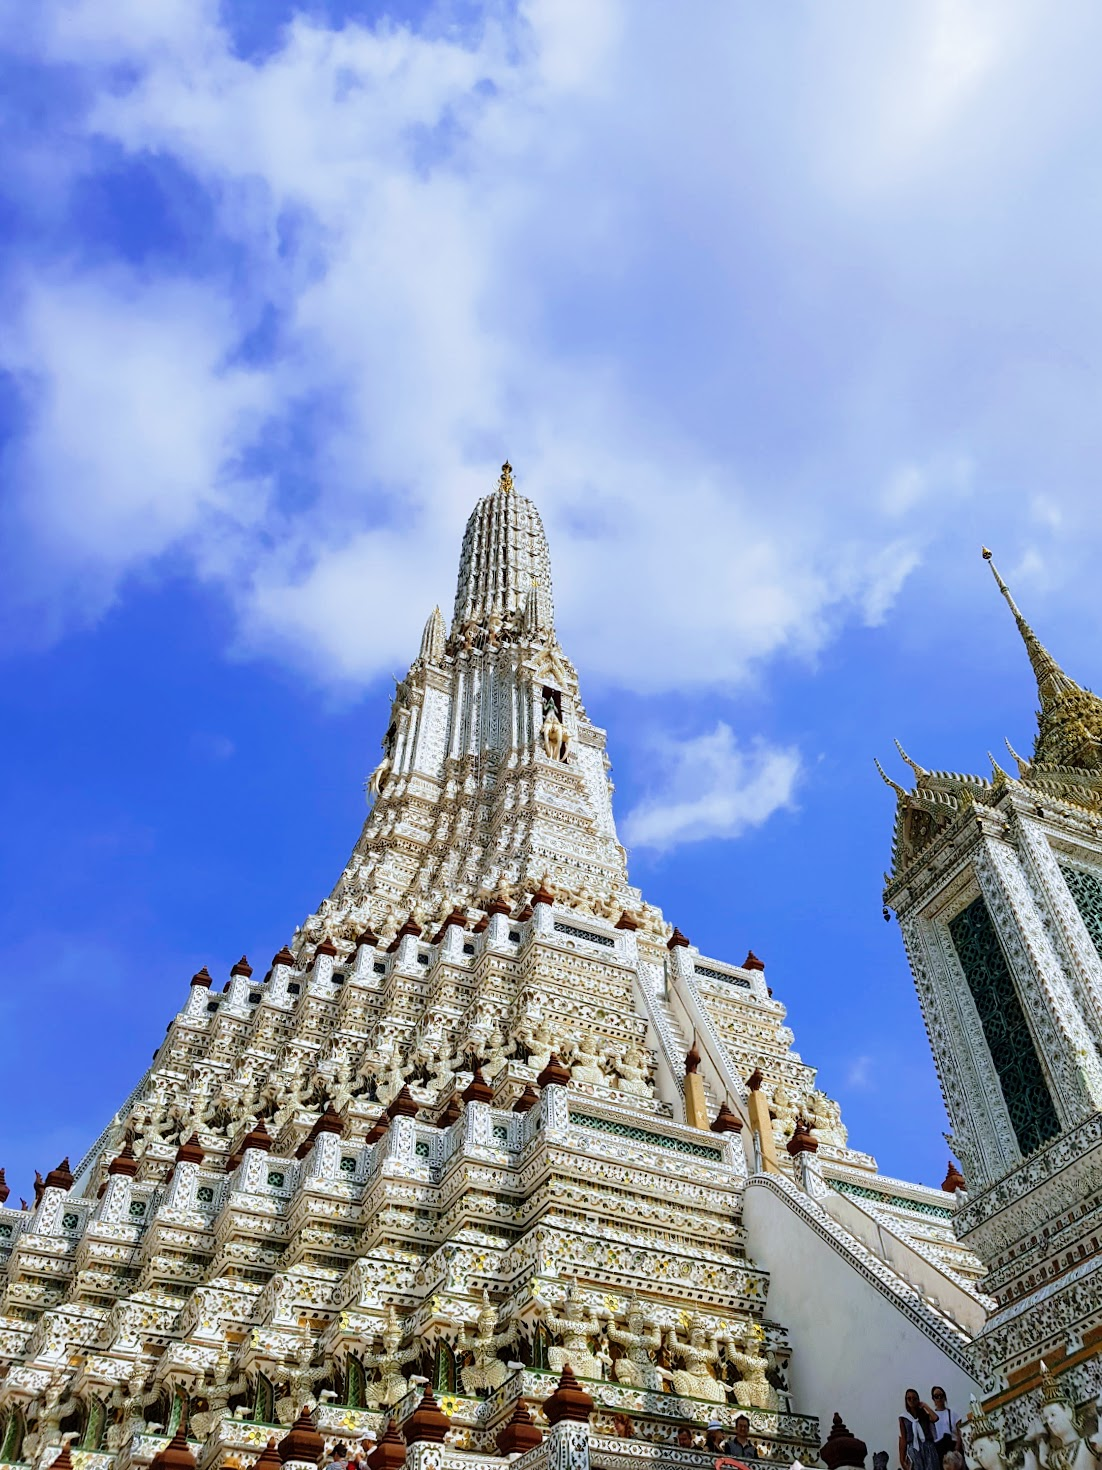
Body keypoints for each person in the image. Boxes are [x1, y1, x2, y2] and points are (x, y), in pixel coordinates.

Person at [900, 1390, 939, 1470]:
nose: (912, 1401)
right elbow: (903, 1439)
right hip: (914, 1449)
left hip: (928, 1447)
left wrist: (925, 1406)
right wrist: (902, 1459)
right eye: (909, 1398)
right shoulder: (903, 1417)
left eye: (914, 1398)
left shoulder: (924, 1414)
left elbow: (935, 1418)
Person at [931, 1388, 961, 1463]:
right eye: (936, 1396)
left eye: (941, 1395)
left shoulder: (953, 1414)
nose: (939, 1398)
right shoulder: (931, 1416)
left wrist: (957, 1448)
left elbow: (960, 1432)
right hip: (939, 1449)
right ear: (933, 1399)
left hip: (953, 1446)